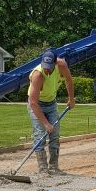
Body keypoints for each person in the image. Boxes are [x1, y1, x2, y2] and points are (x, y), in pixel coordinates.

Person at [27, 48, 75, 176]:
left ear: (55, 63)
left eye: (49, 67)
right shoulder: (38, 75)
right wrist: (46, 124)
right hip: (37, 105)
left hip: (52, 103)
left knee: (55, 135)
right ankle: (43, 169)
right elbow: (33, 103)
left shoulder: (62, 65)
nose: (47, 70)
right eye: (45, 66)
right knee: (39, 135)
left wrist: (71, 99)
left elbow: (69, 81)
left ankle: (54, 167)